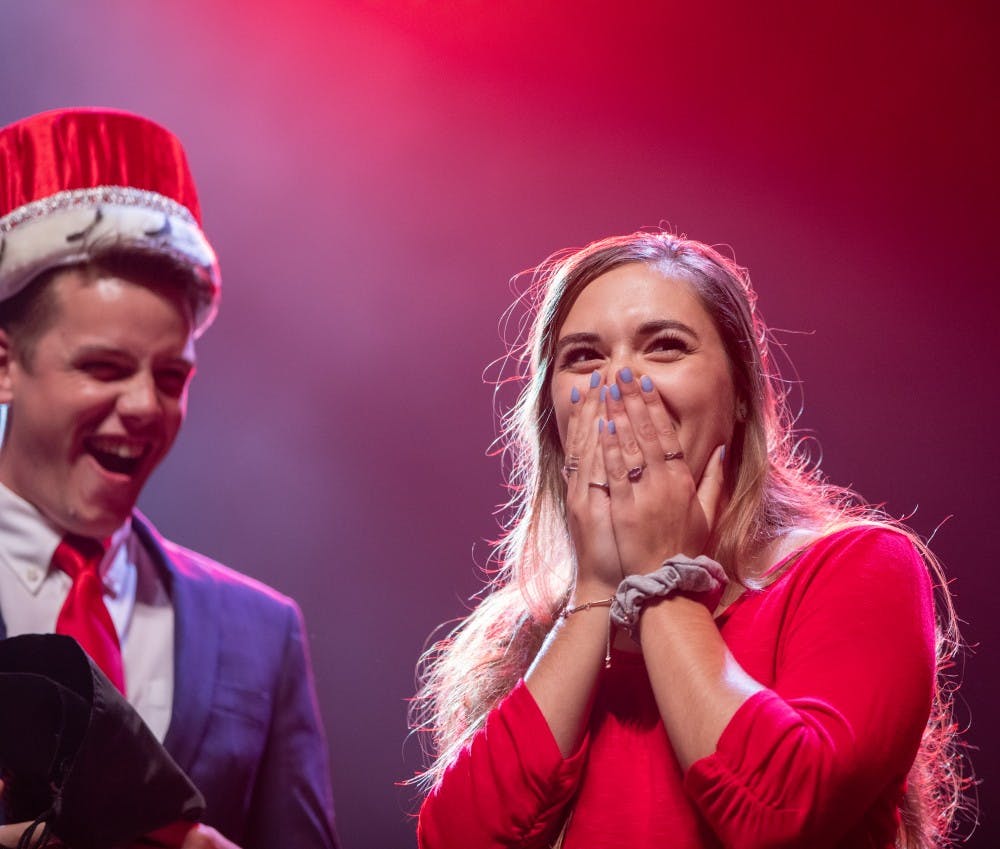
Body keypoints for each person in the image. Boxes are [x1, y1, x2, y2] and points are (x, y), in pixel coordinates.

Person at [412, 231, 966, 848]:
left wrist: (662, 574)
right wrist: (596, 590)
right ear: (552, 416)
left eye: (665, 347)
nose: (618, 381)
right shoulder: (529, 628)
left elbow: (784, 813)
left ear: (740, 396)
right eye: (584, 358)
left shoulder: (855, 567)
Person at [0, 108, 340, 849]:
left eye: (172, 375)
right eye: (104, 368)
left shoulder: (260, 631)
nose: (145, 405)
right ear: (4, 365)